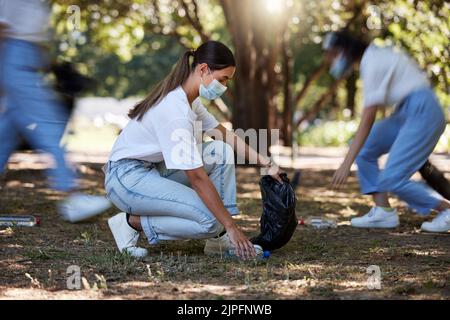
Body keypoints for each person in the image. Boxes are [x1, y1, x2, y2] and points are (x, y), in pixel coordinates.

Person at [104, 41, 283, 259]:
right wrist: (231, 225)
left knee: (219, 151)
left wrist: (267, 163)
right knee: (210, 221)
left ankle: (218, 240)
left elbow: (224, 135)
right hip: (126, 180)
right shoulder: (175, 111)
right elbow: (197, 178)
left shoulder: (190, 101)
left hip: (151, 170)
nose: (224, 86)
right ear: (203, 69)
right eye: (223, 79)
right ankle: (131, 222)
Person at [322, 31, 450, 233]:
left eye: (331, 55)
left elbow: (367, 119)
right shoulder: (373, 57)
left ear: (344, 51)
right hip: (405, 112)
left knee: (392, 178)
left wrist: (345, 164)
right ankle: (384, 212)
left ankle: (447, 210)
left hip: (423, 111)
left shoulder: (371, 62)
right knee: (364, 150)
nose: (329, 61)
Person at [0, 0, 111, 222]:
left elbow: (32, 35)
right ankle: (72, 196)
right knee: (50, 123)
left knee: (6, 133)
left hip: (26, 60)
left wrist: (53, 66)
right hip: (15, 60)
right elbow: (4, 29)